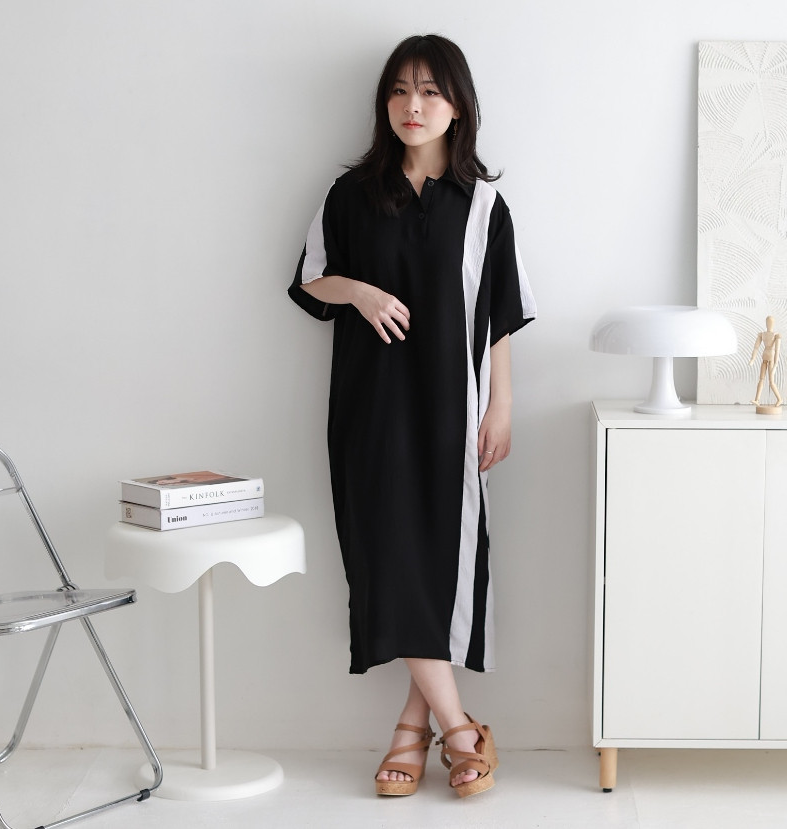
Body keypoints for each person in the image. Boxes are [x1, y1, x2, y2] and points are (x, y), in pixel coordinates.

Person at [288, 34, 536, 798]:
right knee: (387, 557)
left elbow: (499, 318)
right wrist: (359, 291)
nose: (412, 105)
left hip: (454, 413)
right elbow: (310, 279)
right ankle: (460, 729)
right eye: (399, 90)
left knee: (437, 563)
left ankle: (412, 728)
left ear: (457, 105)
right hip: (369, 410)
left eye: (429, 91)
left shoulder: (485, 207)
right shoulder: (350, 195)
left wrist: (500, 405)